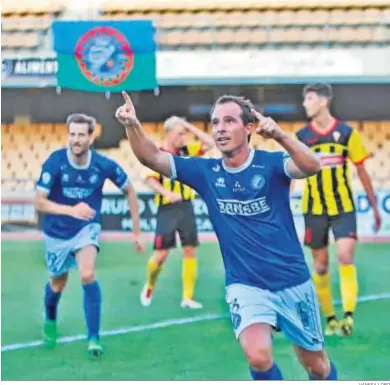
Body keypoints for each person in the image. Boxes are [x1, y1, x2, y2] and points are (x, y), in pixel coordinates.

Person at [115, 91, 338, 380]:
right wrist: (132, 124)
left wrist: (281, 135)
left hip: (292, 281)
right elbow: (152, 157)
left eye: (229, 121)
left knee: (317, 366)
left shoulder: (270, 164)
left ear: (248, 128)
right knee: (258, 357)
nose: (220, 128)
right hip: (245, 285)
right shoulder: (204, 171)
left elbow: (312, 166)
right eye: (215, 122)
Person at [35, 113, 145, 357]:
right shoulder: (55, 162)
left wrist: (137, 232)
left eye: (81, 134)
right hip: (57, 232)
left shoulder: (103, 164)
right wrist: (71, 210)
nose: (75, 139)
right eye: (72, 134)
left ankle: (93, 337)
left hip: (87, 227)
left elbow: (131, 191)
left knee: (87, 274)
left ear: (91, 137)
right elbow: (39, 202)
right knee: (57, 282)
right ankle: (50, 318)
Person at [297, 83, 382, 336]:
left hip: (343, 207)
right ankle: (331, 319)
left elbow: (362, 171)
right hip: (313, 209)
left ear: (323, 101)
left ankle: (348, 317)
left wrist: (375, 208)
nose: (305, 104)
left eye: (309, 99)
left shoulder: (347, 133)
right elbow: (292, 175)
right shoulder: (302, 137)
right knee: (320, 266)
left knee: (346, 256)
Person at [141, 116, 214, 309]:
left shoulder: (186, 151)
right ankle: (149, 286)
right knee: (161, 255)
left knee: (190, 249)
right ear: (169, 133)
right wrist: (167, 193)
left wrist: (189, 125)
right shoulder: (158, 153)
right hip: (167, 208)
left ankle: (188, 298)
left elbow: (210, 143)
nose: (183, 137)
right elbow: (149, 180)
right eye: (180, 133)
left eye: (184, 133)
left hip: (186, 206)